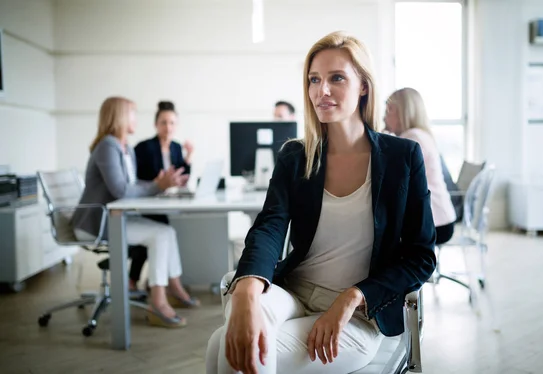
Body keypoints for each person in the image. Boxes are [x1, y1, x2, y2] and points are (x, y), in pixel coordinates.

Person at [206, 31, 436, 374]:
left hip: (356, 316)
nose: (321, 91)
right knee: (233, 334)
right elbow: (269, 227)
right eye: (314, 79)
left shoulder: (402, 157)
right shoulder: (296, 156)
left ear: (363, 86)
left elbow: (421, 256)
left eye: (336, 78)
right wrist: (245, 290)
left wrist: (355, 295)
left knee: (223, 349)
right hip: (294, 293)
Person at [71, 97, 199, 329]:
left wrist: (157, 183)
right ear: (120, 116)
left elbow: (133, 183)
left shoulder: (124, 146)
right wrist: (157, 186)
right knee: (160, 234)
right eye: (132, 114)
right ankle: (158, 302)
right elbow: (120, 190)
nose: (135, 120)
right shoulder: (107, 146)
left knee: (167, 231)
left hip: (114, 219)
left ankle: (172, 287)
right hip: (96, 223)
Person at [130, 101, 194, 289]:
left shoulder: (175, 147)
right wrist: (157, 183)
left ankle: (151, 280)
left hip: (167, 200)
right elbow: (135, 179)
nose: (168, 127)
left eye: (172, 123)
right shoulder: (144, 147)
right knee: (159, 224)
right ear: (156, 124)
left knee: (165, 224)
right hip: (146, 201)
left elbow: (182, 175)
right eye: (164, 122)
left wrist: (189, 156)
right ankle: (141, 280)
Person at [384, 87, 457, 244]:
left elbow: (397, 179)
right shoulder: (420, 135)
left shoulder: (412, 138)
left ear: (403, 112)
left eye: (389, 110)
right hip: (442, 216)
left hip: (435, 221)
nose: (384, 116)